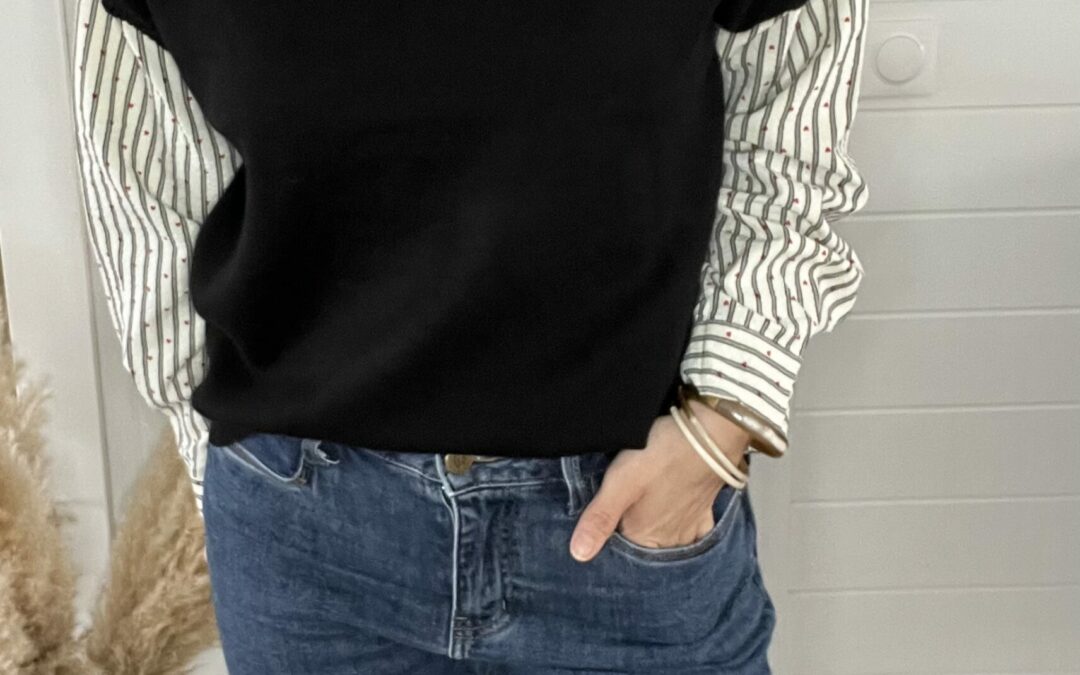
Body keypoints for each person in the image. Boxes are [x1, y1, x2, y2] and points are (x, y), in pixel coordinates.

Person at [73, 0, 869, 671]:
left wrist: (719, 418)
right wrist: (231, 481)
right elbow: (149, 200)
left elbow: (793, 118)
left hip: (624, 528)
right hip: (307, 545)